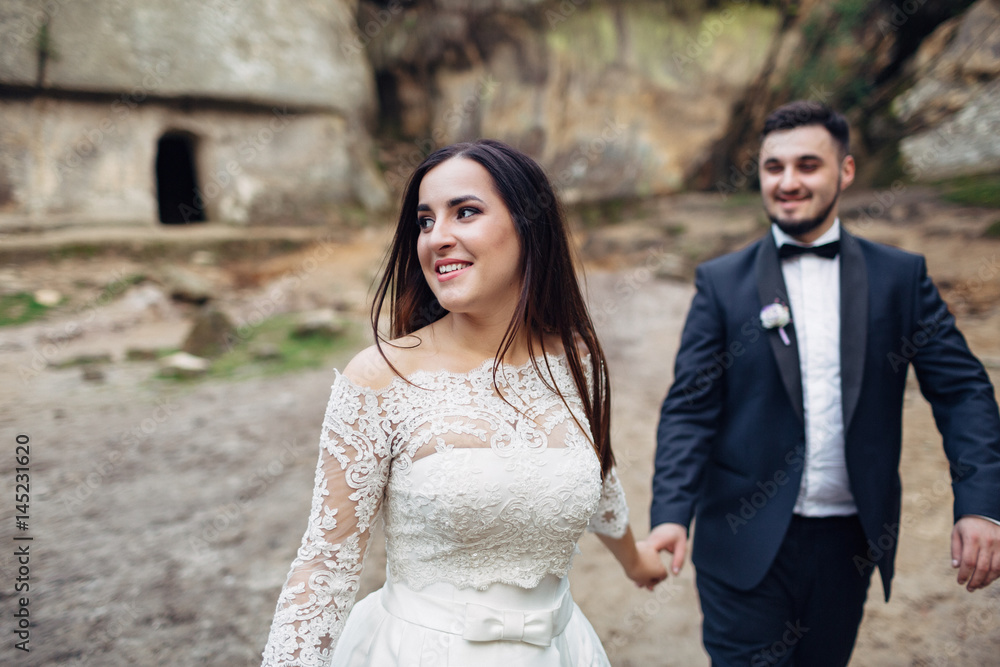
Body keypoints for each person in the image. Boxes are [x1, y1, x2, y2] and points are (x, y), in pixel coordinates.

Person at [261, 139, 667, 666]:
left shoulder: (577, 359)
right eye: (425, 222)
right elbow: (326, 564)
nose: (437, 239)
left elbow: (598, 477)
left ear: (529, 226)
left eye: (466, 212)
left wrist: (637, 562)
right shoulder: (381, 378)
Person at [648, 100, 1000, 666]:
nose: (787, 182)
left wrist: (981, 505)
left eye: (807, 165)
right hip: (742, 539)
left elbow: (962, 392)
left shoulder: (900, 278)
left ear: (846, 171)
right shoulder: (721, 283)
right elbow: (690, 408)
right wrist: (670, 512)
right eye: (773, 168)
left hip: (850, 544)